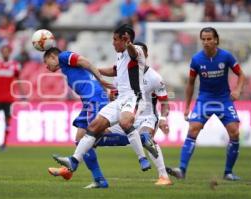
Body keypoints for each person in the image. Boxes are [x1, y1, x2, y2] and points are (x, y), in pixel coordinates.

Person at [49, 42, 173, 187]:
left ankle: (164, 176)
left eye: (140, 53)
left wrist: (163, 119)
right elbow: (115, 90)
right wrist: (99, 76)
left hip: (147, 117)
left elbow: (165, 102)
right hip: (126, 115)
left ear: (145, 55)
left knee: (145, 138)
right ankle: (75, 169)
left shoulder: (154, 78)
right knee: (93, 136)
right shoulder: (123, 73)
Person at [50, 24, 151, 176]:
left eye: (115, 39)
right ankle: (74, 160)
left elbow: (132, 52)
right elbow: (114, 70)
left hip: (134, 97)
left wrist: (129, 44)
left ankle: (142, 157)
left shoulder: (136, 50)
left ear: (125, 39)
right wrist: (95, 71)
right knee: (93, 127)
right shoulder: (120, 55)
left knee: (125, 122)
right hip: (120, 99)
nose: (113, 42)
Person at [166, 27, 246, 181]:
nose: (206, 42)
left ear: (216, 40)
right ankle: (181, 170)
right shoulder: (196, 59)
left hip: (223, 100)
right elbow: (190, 83)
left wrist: (238, 90)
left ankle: (228, 172)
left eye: (209, 39)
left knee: (235, 132)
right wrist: (187, 106)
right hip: (204, 100)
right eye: (203, 39)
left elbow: (241, 74)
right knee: (193, 129)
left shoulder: (226, 56)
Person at [44, 46, 112, 188]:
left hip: (94, 100)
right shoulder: (66, 68)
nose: (46, 67)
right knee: (80, 139)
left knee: (95, 136)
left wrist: (101, 78)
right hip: (89, 102)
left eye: (46, 62)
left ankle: (138, 137)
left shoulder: (63, 56)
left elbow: (85, 61)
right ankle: (98, 179)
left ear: (52, 56)